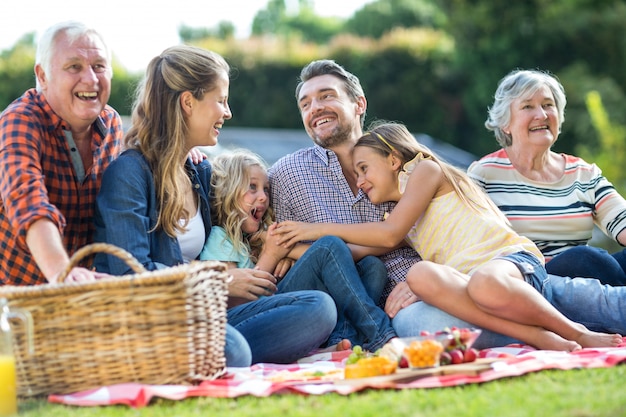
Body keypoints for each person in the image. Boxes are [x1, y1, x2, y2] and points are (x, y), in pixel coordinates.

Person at [274, 121, 624, 350]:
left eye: (364, 168)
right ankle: (541, 338)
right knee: (420, 273)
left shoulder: (425, 171)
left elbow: (387, 233)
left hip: (507, 264)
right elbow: (351, 252)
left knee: (485, 283)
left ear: (394, 159)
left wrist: (316, 228)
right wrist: (289, 250)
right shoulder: (399, 218)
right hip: (473, 283)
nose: (361, 182)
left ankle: (577, 334)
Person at [93, 45, 336, 366]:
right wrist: (218, 281)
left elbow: (239, 224)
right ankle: (229, 353)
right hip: (153, 321)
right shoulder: (129, 174)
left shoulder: (198, 172)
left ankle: (223, 352)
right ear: (188, 103)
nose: (228, 112)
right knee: (232, 349)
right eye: (220, 100)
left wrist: (274, 247)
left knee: (319, 307)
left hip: (204, 314)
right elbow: (131, 276)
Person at [269, 59, 515, 349]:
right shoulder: (287, 174)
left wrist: (421, 285)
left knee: (484, 303)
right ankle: (535, 326)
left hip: (432, 283)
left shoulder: (398, 160)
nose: (315, 108)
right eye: (305, 104)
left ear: (359, 104)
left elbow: (440, 232)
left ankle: (538, 320)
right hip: (381, 307)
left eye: (327, 96)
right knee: (428, 326)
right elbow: (283, 247)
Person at [201, 149, 395, 352]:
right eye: (252, 187)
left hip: (278, 301)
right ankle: (380, 333)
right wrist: (271, 255)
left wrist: (287, 255)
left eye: (266, 189)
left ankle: (344, 341)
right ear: (228, 192)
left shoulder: (257, 237)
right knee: (329, 245)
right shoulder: (220, 238)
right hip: (251, 319)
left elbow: (329, 260)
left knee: (372, 267)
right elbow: (232, 303)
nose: (263, 198)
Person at [468, 69, 626, 286]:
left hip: (589, 280)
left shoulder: (583, 173)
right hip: (532, 280)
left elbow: (622, 221)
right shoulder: (484, 174)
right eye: (527, 106)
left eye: (548, 105)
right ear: (506, 123)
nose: (541, 115)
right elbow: (463, 236)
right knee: (584, 257)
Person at [0, 21, 123, 285]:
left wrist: (183, 154)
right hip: (14, 304)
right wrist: (61, 273)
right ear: (43, 76)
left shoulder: (112, 124)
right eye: (74, 67)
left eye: (99, 66)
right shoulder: (20, 120)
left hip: (77, 300)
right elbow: (27, 199)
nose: (90, 79)